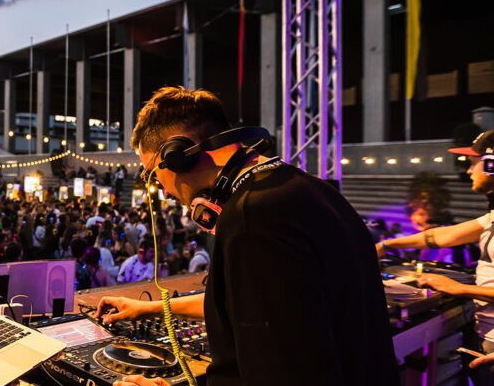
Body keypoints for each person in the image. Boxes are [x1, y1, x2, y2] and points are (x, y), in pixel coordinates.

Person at [97, 86, 397, 385]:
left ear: (177, 155)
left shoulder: (252, 216)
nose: (162, 190)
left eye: (152, 173)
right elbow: (266, 309)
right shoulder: (311, 190)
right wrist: (150, 308)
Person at [376, 130, 494, 363]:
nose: (469, 171)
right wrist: (386, 245)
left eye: (473, 163)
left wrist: (459, 288)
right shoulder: (491, 218)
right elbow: (443, 236)